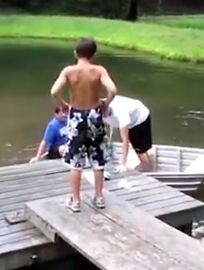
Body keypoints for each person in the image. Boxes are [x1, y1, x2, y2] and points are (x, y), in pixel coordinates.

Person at [50, 37, 117, 213]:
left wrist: (64, 104)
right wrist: (106, 103)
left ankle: (76, 201)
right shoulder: (99, 70)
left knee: (75, 160)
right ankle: (99, 197)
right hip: (95, 115)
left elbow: (54, 91)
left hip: (77, 116)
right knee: (98, 158)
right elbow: (112, 90)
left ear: (75, 53)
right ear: (94, 54)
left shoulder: (69, 71)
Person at [103, 95, 153, 172]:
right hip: (130, 116)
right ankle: (134, 154)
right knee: (131, 141)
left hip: (139, 119)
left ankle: (146, 168)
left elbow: (124, 141)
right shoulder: (98, 107)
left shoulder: (120, 113)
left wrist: (123, 164)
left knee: (139, 149)